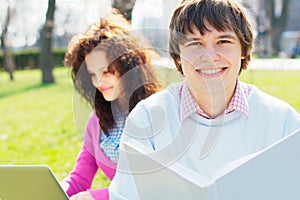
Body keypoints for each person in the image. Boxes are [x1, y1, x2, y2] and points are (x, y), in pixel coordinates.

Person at [109, 0, 300, 199]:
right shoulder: (147, 118)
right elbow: (125, 195)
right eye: (195, 43)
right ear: (178, 55)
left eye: (223, 41)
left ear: (243, 50)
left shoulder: (283, 121)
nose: (209, 56)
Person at [61, 9, 161, 200]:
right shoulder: (97, 122)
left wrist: (97, 197)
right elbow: (79, 178)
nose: (98, 81)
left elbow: (154, 185)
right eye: (92, 74)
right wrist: (54, 191)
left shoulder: (158, 112)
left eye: (106, 71)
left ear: (128, 65)